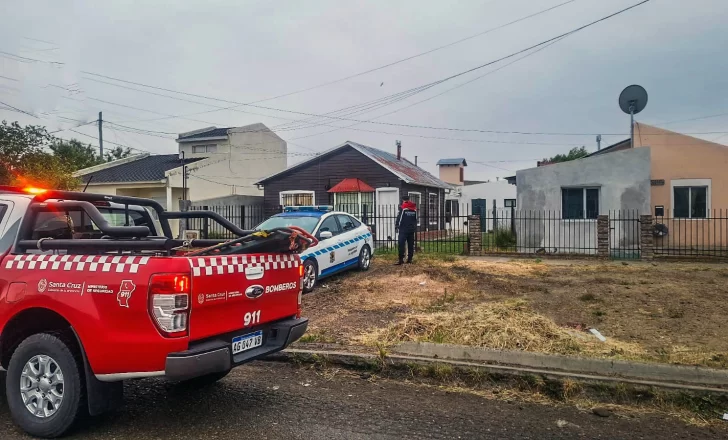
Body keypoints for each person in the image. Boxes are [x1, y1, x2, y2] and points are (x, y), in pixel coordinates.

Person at [395, 195, 417, 265]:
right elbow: (415, 219)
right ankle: (410, 259)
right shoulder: (414, 209)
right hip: (411, 229)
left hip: (403, 229)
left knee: (401, 244)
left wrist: (397, 226)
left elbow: (399, 218)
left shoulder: (403, 208)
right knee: (411, 244)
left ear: (403, 200)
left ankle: (401, 259)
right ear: (408, 199)